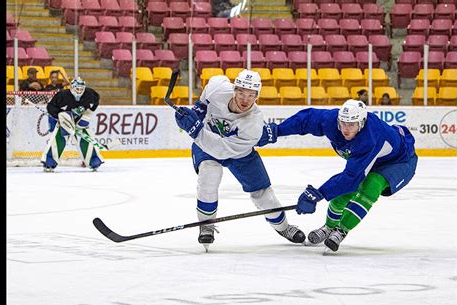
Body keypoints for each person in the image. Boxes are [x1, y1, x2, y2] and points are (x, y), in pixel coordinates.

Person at [257, 99, 418, 252]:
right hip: (373, 157)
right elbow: (306, 119)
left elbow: (350, 178)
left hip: (399, 161)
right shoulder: (332, 121)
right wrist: (277, 130)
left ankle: (341, 230)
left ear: (361, 124)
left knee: (371, 185)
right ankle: (329, 227)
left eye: (352, 125)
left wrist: (318, 194)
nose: (346, 129)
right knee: (343, 193)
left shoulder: (369, 138)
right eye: (343, 123)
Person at [174, 69, 306, 251]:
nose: (245, 99)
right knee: (209, 174)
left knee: (264, 195)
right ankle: (206, 223)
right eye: (241, 92)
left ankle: (284, 227)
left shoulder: (254, 124)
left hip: (238, 152)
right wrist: (199, 109)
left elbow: (221, 150)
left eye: (251, 95)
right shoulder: (218, 88)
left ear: (257, 96)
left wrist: (195, 130)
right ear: (234, 89)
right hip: (206, 144)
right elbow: (206, 94)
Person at [41, 77, 104, 172]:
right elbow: (50, 107)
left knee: (85, 139)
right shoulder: (62, 95)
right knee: (59, 139)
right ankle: (50, 162)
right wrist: (61, 117)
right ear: (72, 88)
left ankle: (93, 161)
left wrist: (90, 111)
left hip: (80, 120)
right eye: (77, 89)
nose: (79, 91)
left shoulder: (89, 93)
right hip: (66, 121)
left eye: (81, 89)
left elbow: (96, 99)